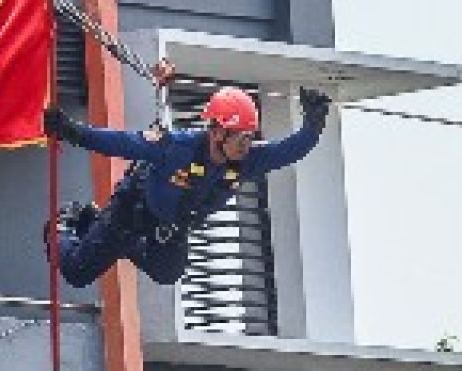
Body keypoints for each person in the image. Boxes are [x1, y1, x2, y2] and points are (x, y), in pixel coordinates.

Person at [42, 63, 332, 288]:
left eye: (250, 137)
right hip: (132, 211)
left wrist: (314, 123)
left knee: (168, 272)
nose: (247, 145)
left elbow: (289, 151)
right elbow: (123, 142)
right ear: (217, 132)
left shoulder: (247, 162)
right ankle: (66, 223)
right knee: (77, 273)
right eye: (240, 138)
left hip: (171, 227)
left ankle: (97, 223)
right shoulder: (178, 147)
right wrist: (73, 132)